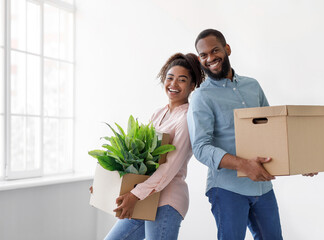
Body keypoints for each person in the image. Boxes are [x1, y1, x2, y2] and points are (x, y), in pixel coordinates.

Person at [186, 29, 283, 240]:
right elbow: (201, 148)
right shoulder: (201, 97)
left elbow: (273, 130)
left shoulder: (252, 86)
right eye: (203, 55)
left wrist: (302, 163)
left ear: (227, 49)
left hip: (262, 185)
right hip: (227, 188)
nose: (210, 58)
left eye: (215, 51)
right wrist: (243, 165)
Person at [104, 53, 204, 240]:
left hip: (167, 201)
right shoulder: (159, 113)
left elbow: (169, 168)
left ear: (192, 86)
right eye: (170, 78)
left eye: (182, 80)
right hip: (145, 197)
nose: (174, 84)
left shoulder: (186, 118)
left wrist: (134, 195)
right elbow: (141, 159)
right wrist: (108, 184)